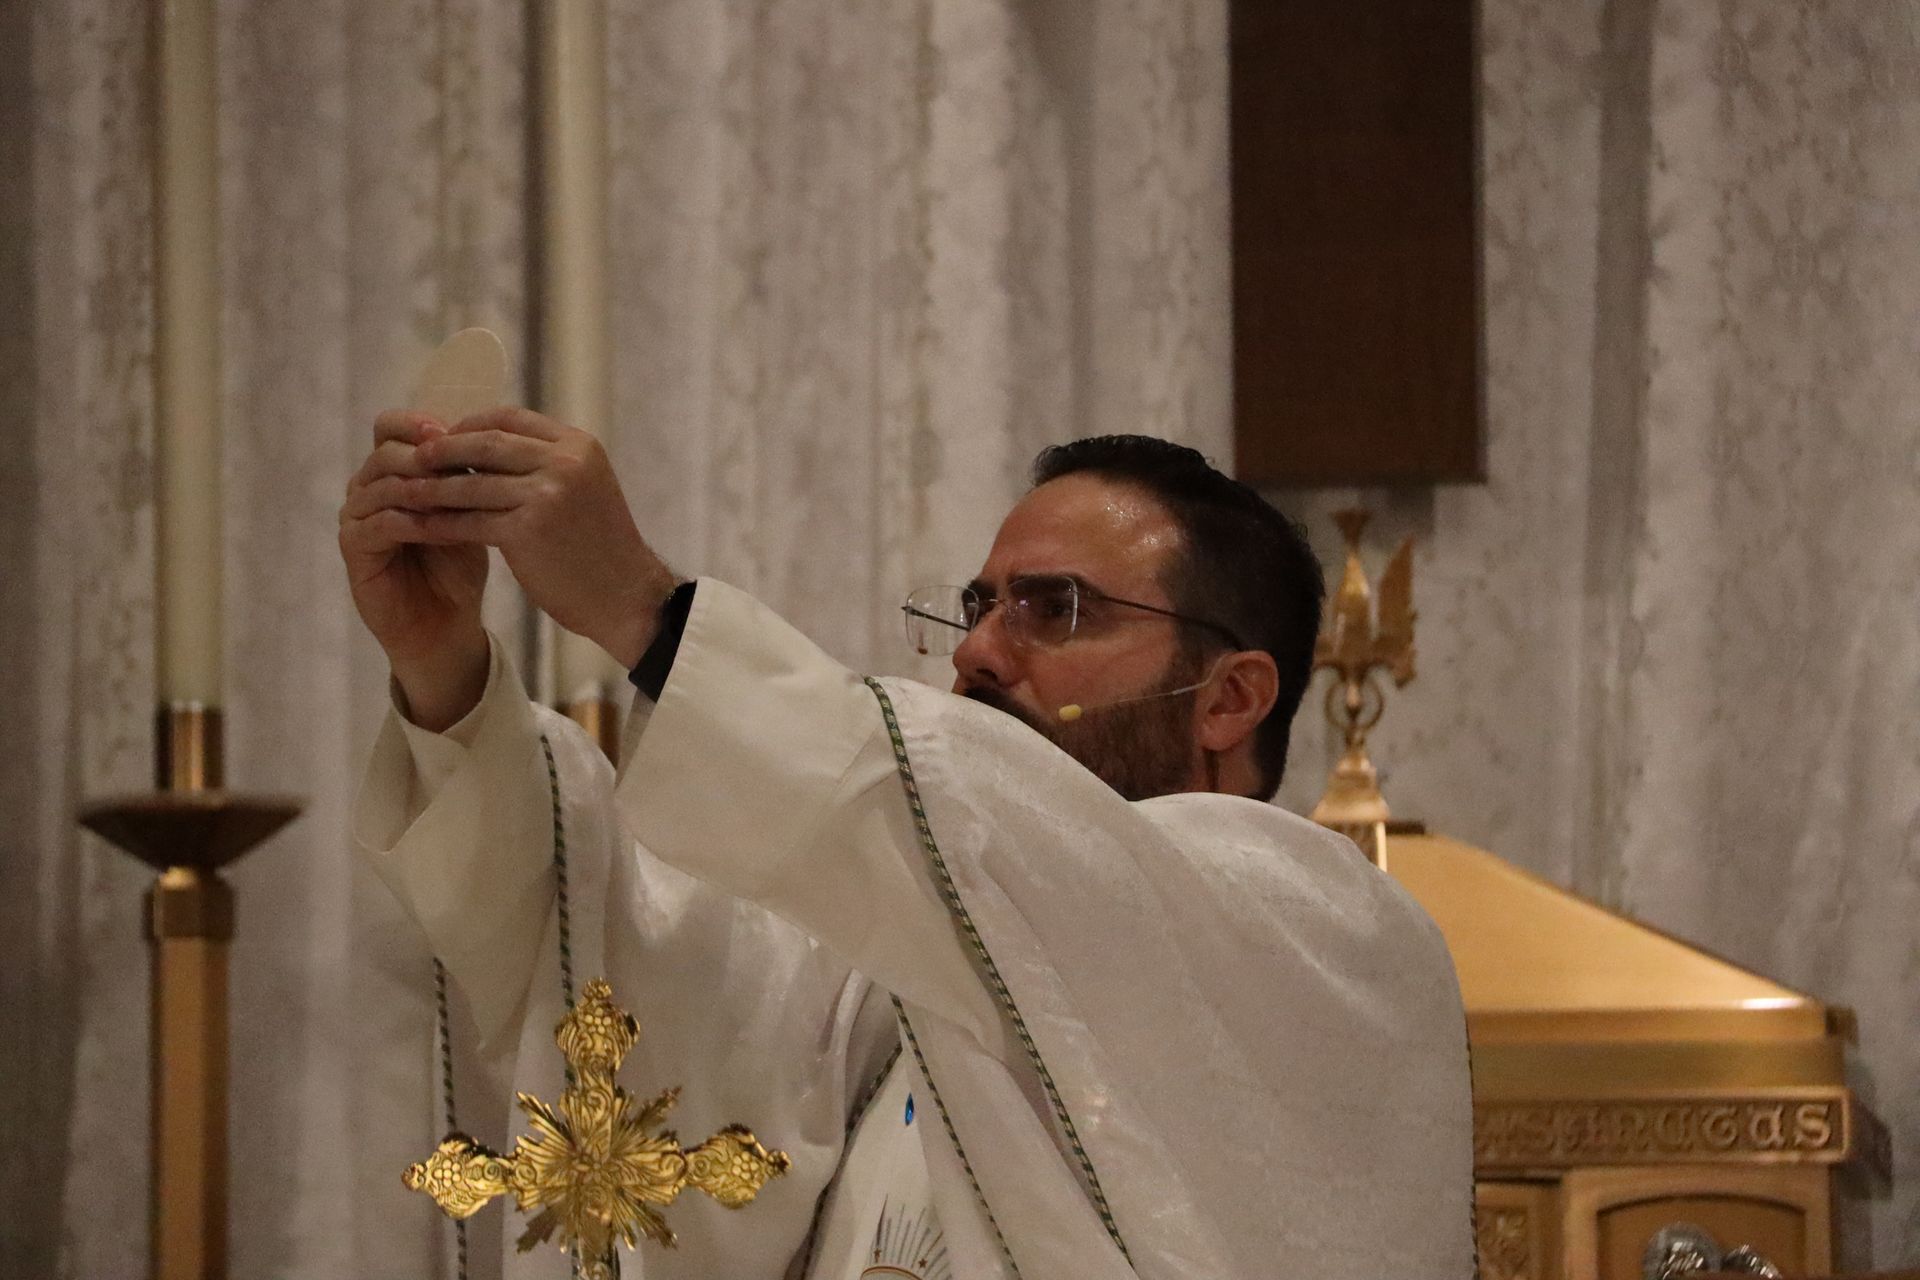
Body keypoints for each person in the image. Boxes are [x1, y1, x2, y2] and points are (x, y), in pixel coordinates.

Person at [341, 408, 1475, 1280]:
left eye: (1055, 608)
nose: (977, 651)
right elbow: (635, 969)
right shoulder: (920, 960)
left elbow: (996, 829)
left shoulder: (1320, 934)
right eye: (980, 607)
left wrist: (642, 605)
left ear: (1228, 697)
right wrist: (447, 671)